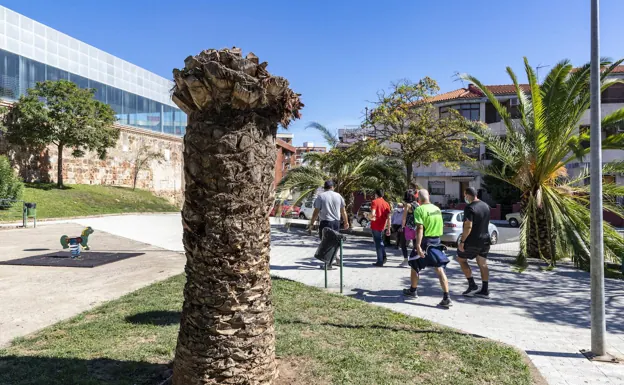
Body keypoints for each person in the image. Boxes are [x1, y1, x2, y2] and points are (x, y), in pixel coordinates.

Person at [402, 189, 452, 308]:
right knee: (439, 268)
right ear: (428, 197)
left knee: (414, 263)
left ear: (418, 198)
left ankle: (413, 290)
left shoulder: (419, 209)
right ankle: (447, 297)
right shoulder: (437, 209)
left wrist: (418, 245)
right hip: (437, 241)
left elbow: (420, 228)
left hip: (425, 242)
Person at [457, 187, 491, 299]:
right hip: (485, 239)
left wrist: (462, 241)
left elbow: (468, 226)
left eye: (464, 195)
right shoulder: (486, 206)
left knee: (461, 259)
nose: (464, 197)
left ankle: (472, 285)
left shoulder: (469, 208)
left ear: (467, 194)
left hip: (473, 241)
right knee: (482, 263)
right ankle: (485, 290)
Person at [369, 189, 391, 267]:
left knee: (377, 242)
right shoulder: (386, 204)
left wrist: (368, 216)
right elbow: (389, 217)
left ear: (376, 194)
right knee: (380, 240)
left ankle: (380, 260)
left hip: (375, 224)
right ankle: (383, 257)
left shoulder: (374, 202)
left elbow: (373, 214)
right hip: (382, 225)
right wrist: (389, 227)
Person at [398, 190, 418, 268]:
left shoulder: (408, 205)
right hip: (416, 227)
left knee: (403, 243)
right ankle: (415, 259)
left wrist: (402, 226)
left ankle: (406, 259)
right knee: (415, 244)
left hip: (408, 227)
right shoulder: (417, 204)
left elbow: (404, 217)